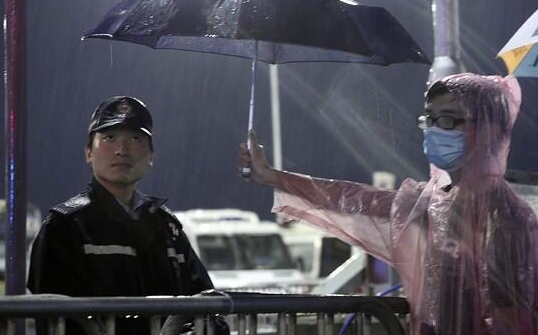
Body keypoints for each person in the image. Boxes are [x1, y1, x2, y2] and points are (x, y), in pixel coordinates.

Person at [237, 73, 538, 335]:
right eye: (428, 120)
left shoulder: (505, 216)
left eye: (447, 120)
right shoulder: (433, 202)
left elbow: (511, 319)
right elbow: (355, 201)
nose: (434, 130)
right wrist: (273, 177)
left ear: (488, 128)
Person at [28, 96, 227, 335]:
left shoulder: (166, 228)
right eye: (109, 138)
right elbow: (54, 321)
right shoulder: (65, 227)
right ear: (88, 152)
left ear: (151, 155)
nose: (122, 150)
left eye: (135, 139)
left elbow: (204, 302)